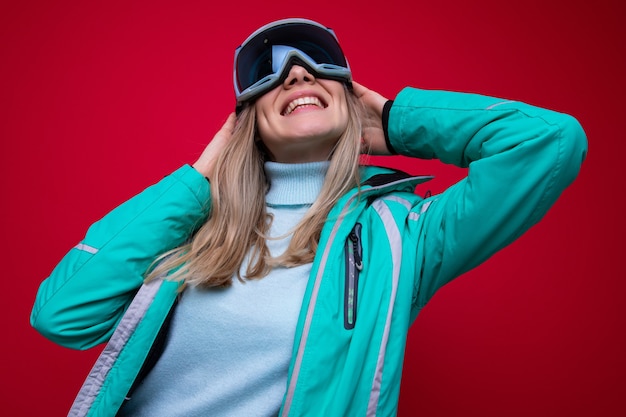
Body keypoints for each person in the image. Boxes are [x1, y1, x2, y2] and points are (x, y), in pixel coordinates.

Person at [30, 18, 587, 417]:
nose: (296, 75)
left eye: (318, 66)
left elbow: (548, 142)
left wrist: (398, 122)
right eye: (269, 74)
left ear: (349, 98)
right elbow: (61, 316)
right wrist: (199, 178)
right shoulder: (193, 224)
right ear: (246, 121)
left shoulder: (405, 236)